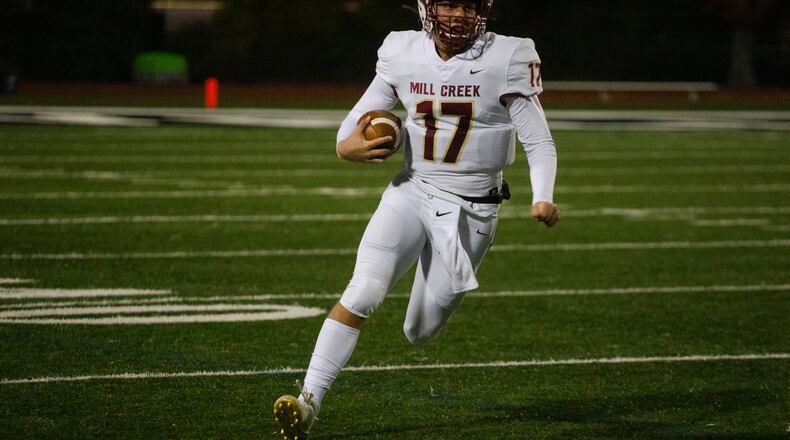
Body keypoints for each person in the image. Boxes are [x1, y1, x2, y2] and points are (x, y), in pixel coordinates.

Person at [273, 1, 558, 438]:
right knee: (364, 288)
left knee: (418, 331)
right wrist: (343, 146)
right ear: (427, 6)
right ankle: (308, 400)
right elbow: (354, 120)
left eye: (469, 4)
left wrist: (542, 198)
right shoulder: (401, 51)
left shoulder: (509, 57)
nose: (458, 14)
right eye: (448, 3)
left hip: (473, 208)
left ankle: (420, 315)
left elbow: (539, 142)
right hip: (412, 190)